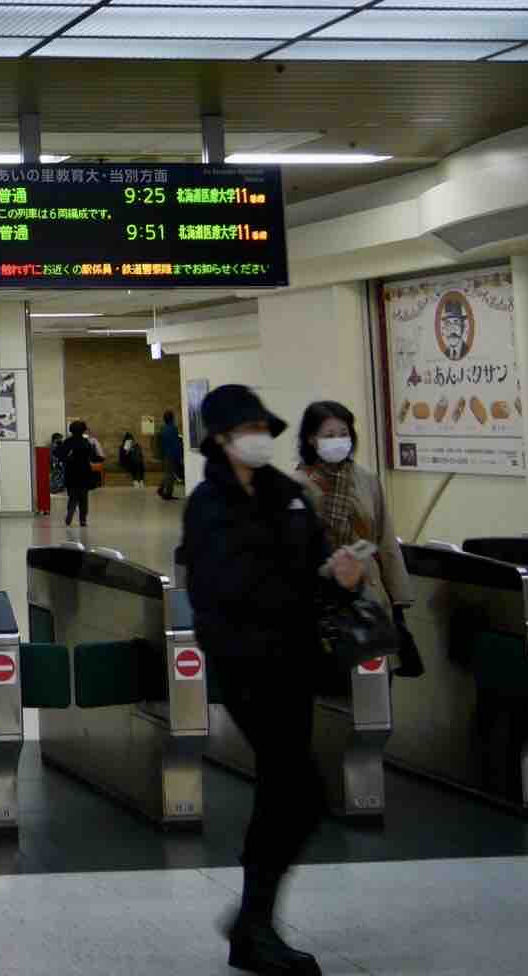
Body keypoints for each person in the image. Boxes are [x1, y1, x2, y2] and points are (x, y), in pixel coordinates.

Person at [182, 384, 365, 976]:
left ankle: (252, 924)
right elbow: (214, 590)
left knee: (291, 790)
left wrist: (342, 576)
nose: (258, 437)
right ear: (220, 439)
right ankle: (254, 925)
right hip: (246, 665)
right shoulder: (208, 505)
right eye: (246, 429)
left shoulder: (290, 496)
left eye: (262, 425)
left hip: (295, 661)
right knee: (296, 786)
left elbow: (311, 570)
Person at [293, 400, 421, 676]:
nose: (338, 441)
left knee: (375, 677)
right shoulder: (298, 486)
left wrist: (399, 598)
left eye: (344, 433)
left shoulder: (366, 480)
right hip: (325, 598)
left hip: (370, 596)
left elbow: (385, 540)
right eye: (329, 435)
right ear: (311, 439)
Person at [61, 420, 101, 528]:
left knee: (73, 496)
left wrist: (67, 459)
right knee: (84, 497)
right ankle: (83, 520)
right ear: (83, 430)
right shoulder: (86, 442)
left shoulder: (68, 441)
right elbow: (93, 456)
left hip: (71, 472)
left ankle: (70, 514)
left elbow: (60, 454)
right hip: (84, 472)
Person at [157, 410, 185, 501]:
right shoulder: (173, 428)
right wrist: (180, 456)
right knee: (171, 475)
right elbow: (176, 444)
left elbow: (160, 443)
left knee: (168, 473)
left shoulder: (162, 429)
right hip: (172, 455)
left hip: (165, 454)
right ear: (172, 418)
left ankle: (161, 489)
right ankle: (167, 494)